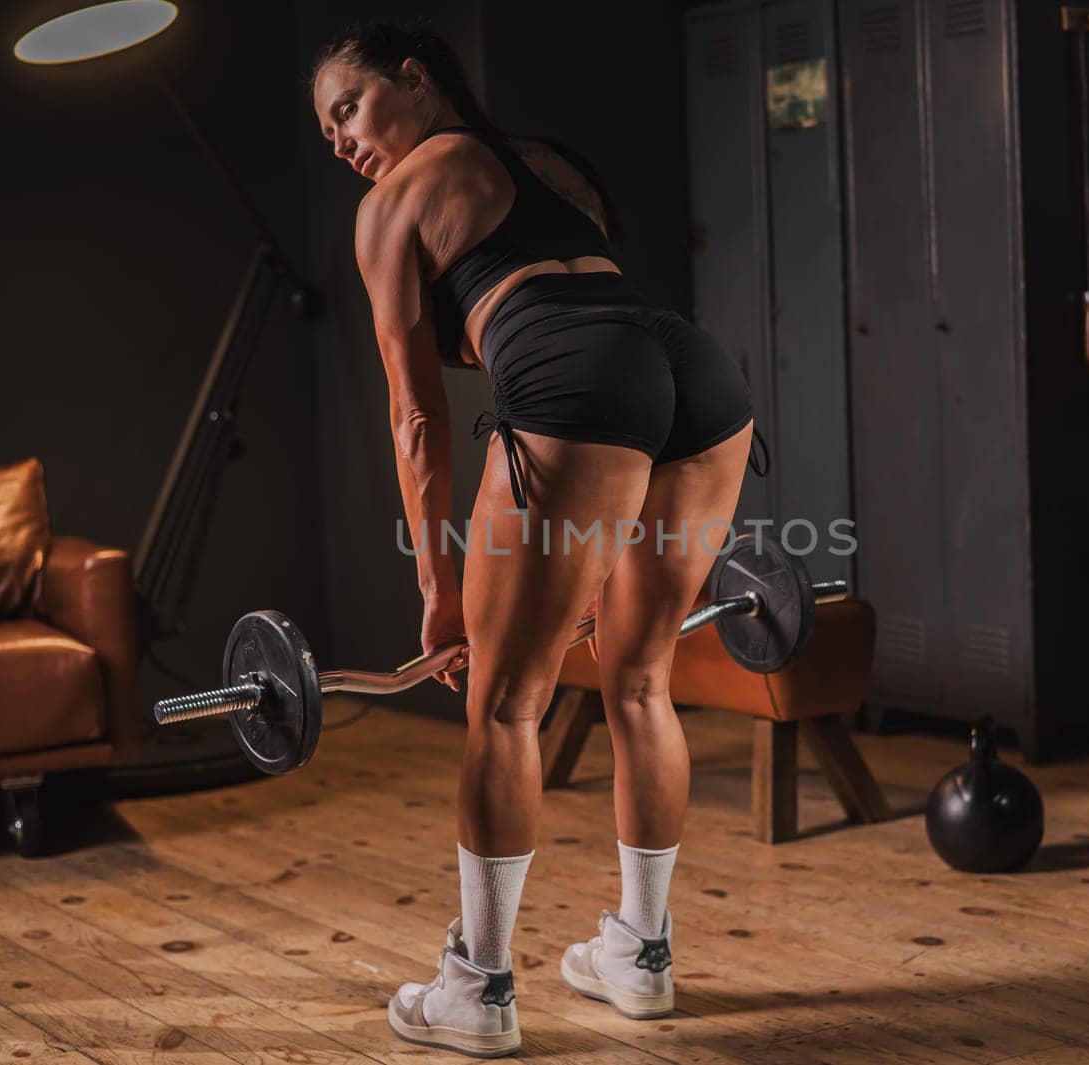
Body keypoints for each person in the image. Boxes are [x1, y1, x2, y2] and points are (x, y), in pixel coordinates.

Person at [310, 23, 763, 1058]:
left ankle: (476, 988)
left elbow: (416, 414)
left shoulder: (389, 206)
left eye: (347, 108)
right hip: (689, 365)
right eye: (327, 130)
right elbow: (578, 298)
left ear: (413, 81)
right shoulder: (548, 164)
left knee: (504, 704)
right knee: (640, 679)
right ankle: (639, 960)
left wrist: (436, 582)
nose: (340, 144)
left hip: (579, 374)